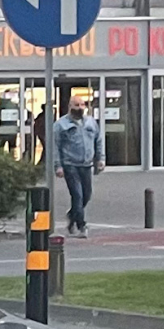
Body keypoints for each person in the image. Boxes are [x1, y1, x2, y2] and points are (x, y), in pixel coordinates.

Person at [53, 95, 103, 234]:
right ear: (70, 107)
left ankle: (72, 216)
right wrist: (58, 166)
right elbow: (55, 147)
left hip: (86, 164)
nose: (80, 108)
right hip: (70, 165)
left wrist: (100, 159)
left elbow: (98, 140)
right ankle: (81, 225)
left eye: (82, 105)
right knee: (78, 195)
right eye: (76, 105)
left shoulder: (91, 122)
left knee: (87, 194)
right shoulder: (60, 125)